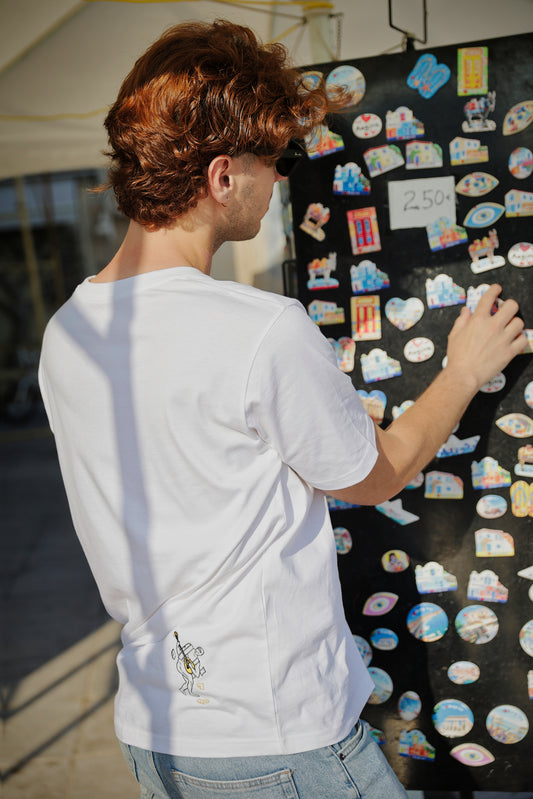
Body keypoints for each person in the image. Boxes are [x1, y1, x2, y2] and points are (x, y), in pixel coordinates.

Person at [38, 19, 526, 799]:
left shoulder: (68, 329)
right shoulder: (257, 329)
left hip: (158, 732)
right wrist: (462, 370)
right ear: (224, 175)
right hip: (279, 737)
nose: (282, 182)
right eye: (277, 160)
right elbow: (377, 476)